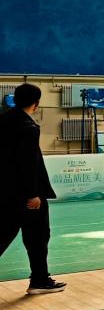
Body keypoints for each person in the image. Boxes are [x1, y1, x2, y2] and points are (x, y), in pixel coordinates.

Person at [0, 83, 65, 294]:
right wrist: (32, 194)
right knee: (37, 237)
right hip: (25, 195)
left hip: (5, 191)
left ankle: (40, 278)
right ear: (36, 103)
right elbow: (28, 164)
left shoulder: (4, 120)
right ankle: (39, 280)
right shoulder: (28, 127)